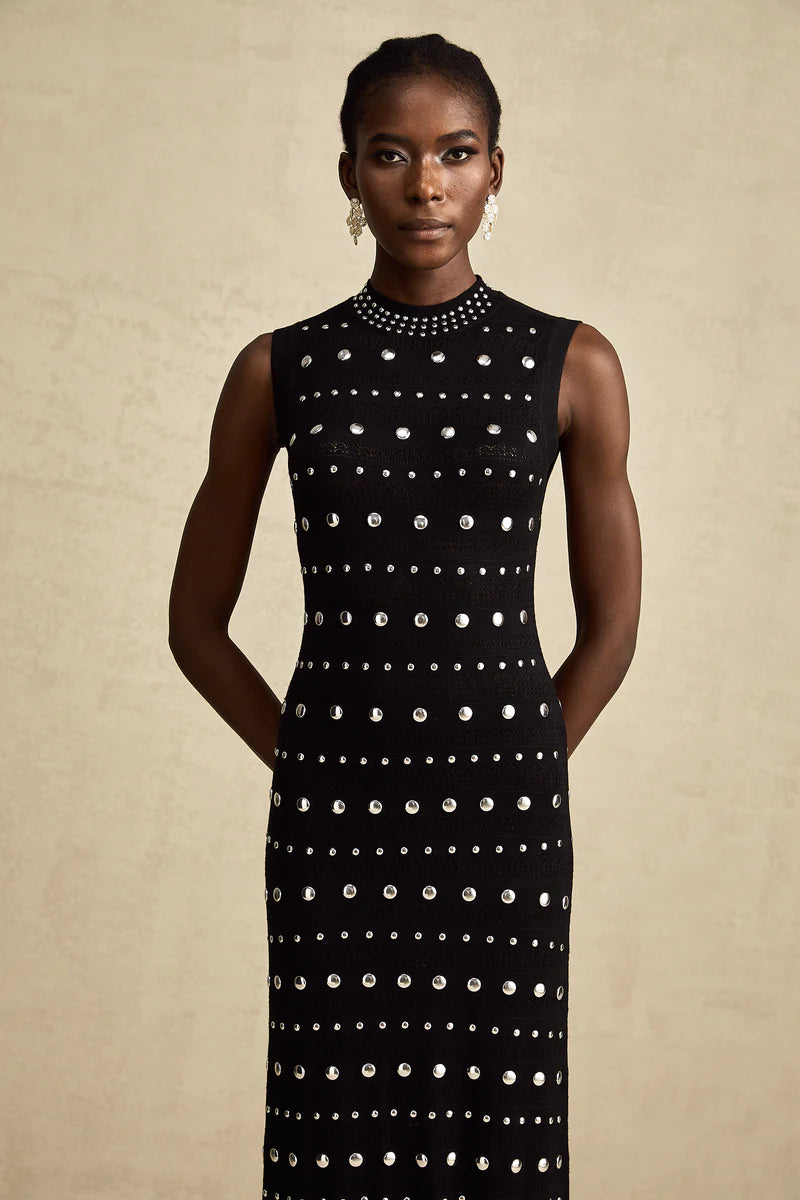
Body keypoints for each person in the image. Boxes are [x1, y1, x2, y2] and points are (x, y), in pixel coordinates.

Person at [169, 32, 641, 1200]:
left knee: (498, 1129)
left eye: (455, 153)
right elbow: (194, 625)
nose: (425, 185)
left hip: (504, 823)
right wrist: (310, 762)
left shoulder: (571, 363)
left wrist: (521, 759)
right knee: (334, 1129)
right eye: (390, 154)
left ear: (493, 170)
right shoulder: (278, 369)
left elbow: (611, 626)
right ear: (348, 173)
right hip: (332, 823)